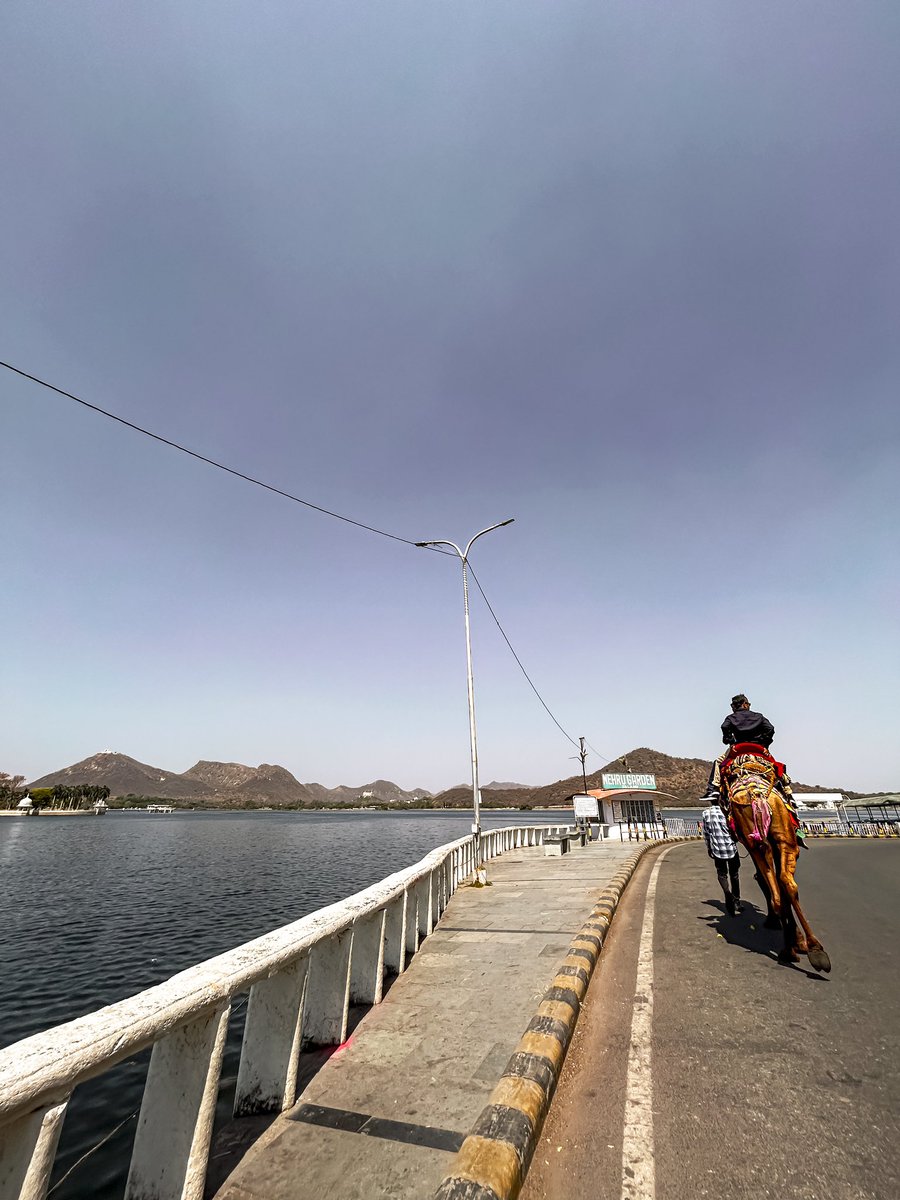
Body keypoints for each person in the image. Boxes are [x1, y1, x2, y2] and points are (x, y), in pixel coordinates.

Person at [701, 799, 742, 915]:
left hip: (717, 849)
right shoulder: (727, 812)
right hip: (731, 848)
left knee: (722, 874)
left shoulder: (705, 814)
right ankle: (737, 901)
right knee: (734, 874)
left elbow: (706, 834)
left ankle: (727, 892)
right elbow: (735, 829)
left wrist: (709, 848)